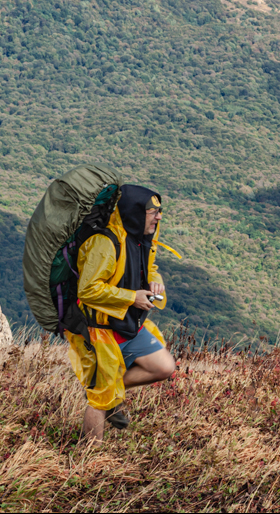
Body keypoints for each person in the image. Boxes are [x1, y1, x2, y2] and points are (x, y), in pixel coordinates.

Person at [64, 184, 177, 442]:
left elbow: (147, 268)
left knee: (164, 366)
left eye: (160, 211)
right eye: (152, 211)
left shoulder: (140, 239)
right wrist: (131, 297)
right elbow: (88, 289)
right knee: (101, 398)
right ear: (134, 211)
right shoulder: (104, 243)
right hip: (101, 331)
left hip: (128, 325)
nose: (159, 217)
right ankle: (90, 459)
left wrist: (154, 280)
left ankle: (110, 390)